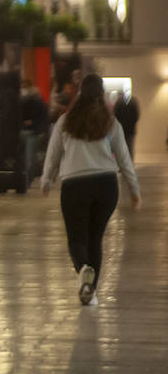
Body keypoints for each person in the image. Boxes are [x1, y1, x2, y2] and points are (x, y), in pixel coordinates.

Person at [41, 74, 141, 305]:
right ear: (101, 94)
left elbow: (53, 153)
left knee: (77, 238)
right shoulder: (110, 122)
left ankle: (83, 269)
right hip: (106, 185)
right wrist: (134, 190)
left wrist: (47, 179)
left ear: (80, 93)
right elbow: (125, 159)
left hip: (75, 186)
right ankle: (91, 292)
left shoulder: (65, 121)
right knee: (95, 238)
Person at [20, 79, 50, 179]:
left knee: (29, 158)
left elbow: (40, 117)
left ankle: (28, 178)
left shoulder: (36, 100)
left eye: (24, 87)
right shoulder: (32, 99)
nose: (23, 89)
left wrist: (32, 122)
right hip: (30, 131)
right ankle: (28, 177)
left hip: (32, 132)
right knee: (29, 157)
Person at [113, 89, 140, 159]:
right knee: (130, 147)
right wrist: (132, 124)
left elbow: (115, 116)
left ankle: (122, 164)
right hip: (130, 129)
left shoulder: (118, 103)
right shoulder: (133, 102)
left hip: (121, 129)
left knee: (121, 148)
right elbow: (136, 116)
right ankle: (130, 164)